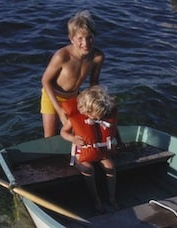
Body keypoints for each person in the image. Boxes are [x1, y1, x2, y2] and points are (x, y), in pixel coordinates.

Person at [41, 10, 104, 137]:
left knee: (79, 133)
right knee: (50, 137)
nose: (85, 43)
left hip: (73, 97)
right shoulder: (62, 56)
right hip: (52, 96)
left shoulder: (97, 57)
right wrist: (59, 111)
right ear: (72, 39)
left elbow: (94, 83)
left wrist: (97, 102)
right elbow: (45, 81)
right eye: (80, 38)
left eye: (89, 38)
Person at [60, 85, 119, 213]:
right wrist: (73, 139)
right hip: (82, 152)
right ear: (86, 110)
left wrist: (119, 142)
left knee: (110, 166)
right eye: (96, 116)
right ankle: (96, 199)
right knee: (89, 169)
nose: (99, 119)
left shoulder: (104, 115)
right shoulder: (75, 118)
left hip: (101, 151)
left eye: (101, 116)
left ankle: (112, 198)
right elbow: (63, 132)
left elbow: (113, 128)